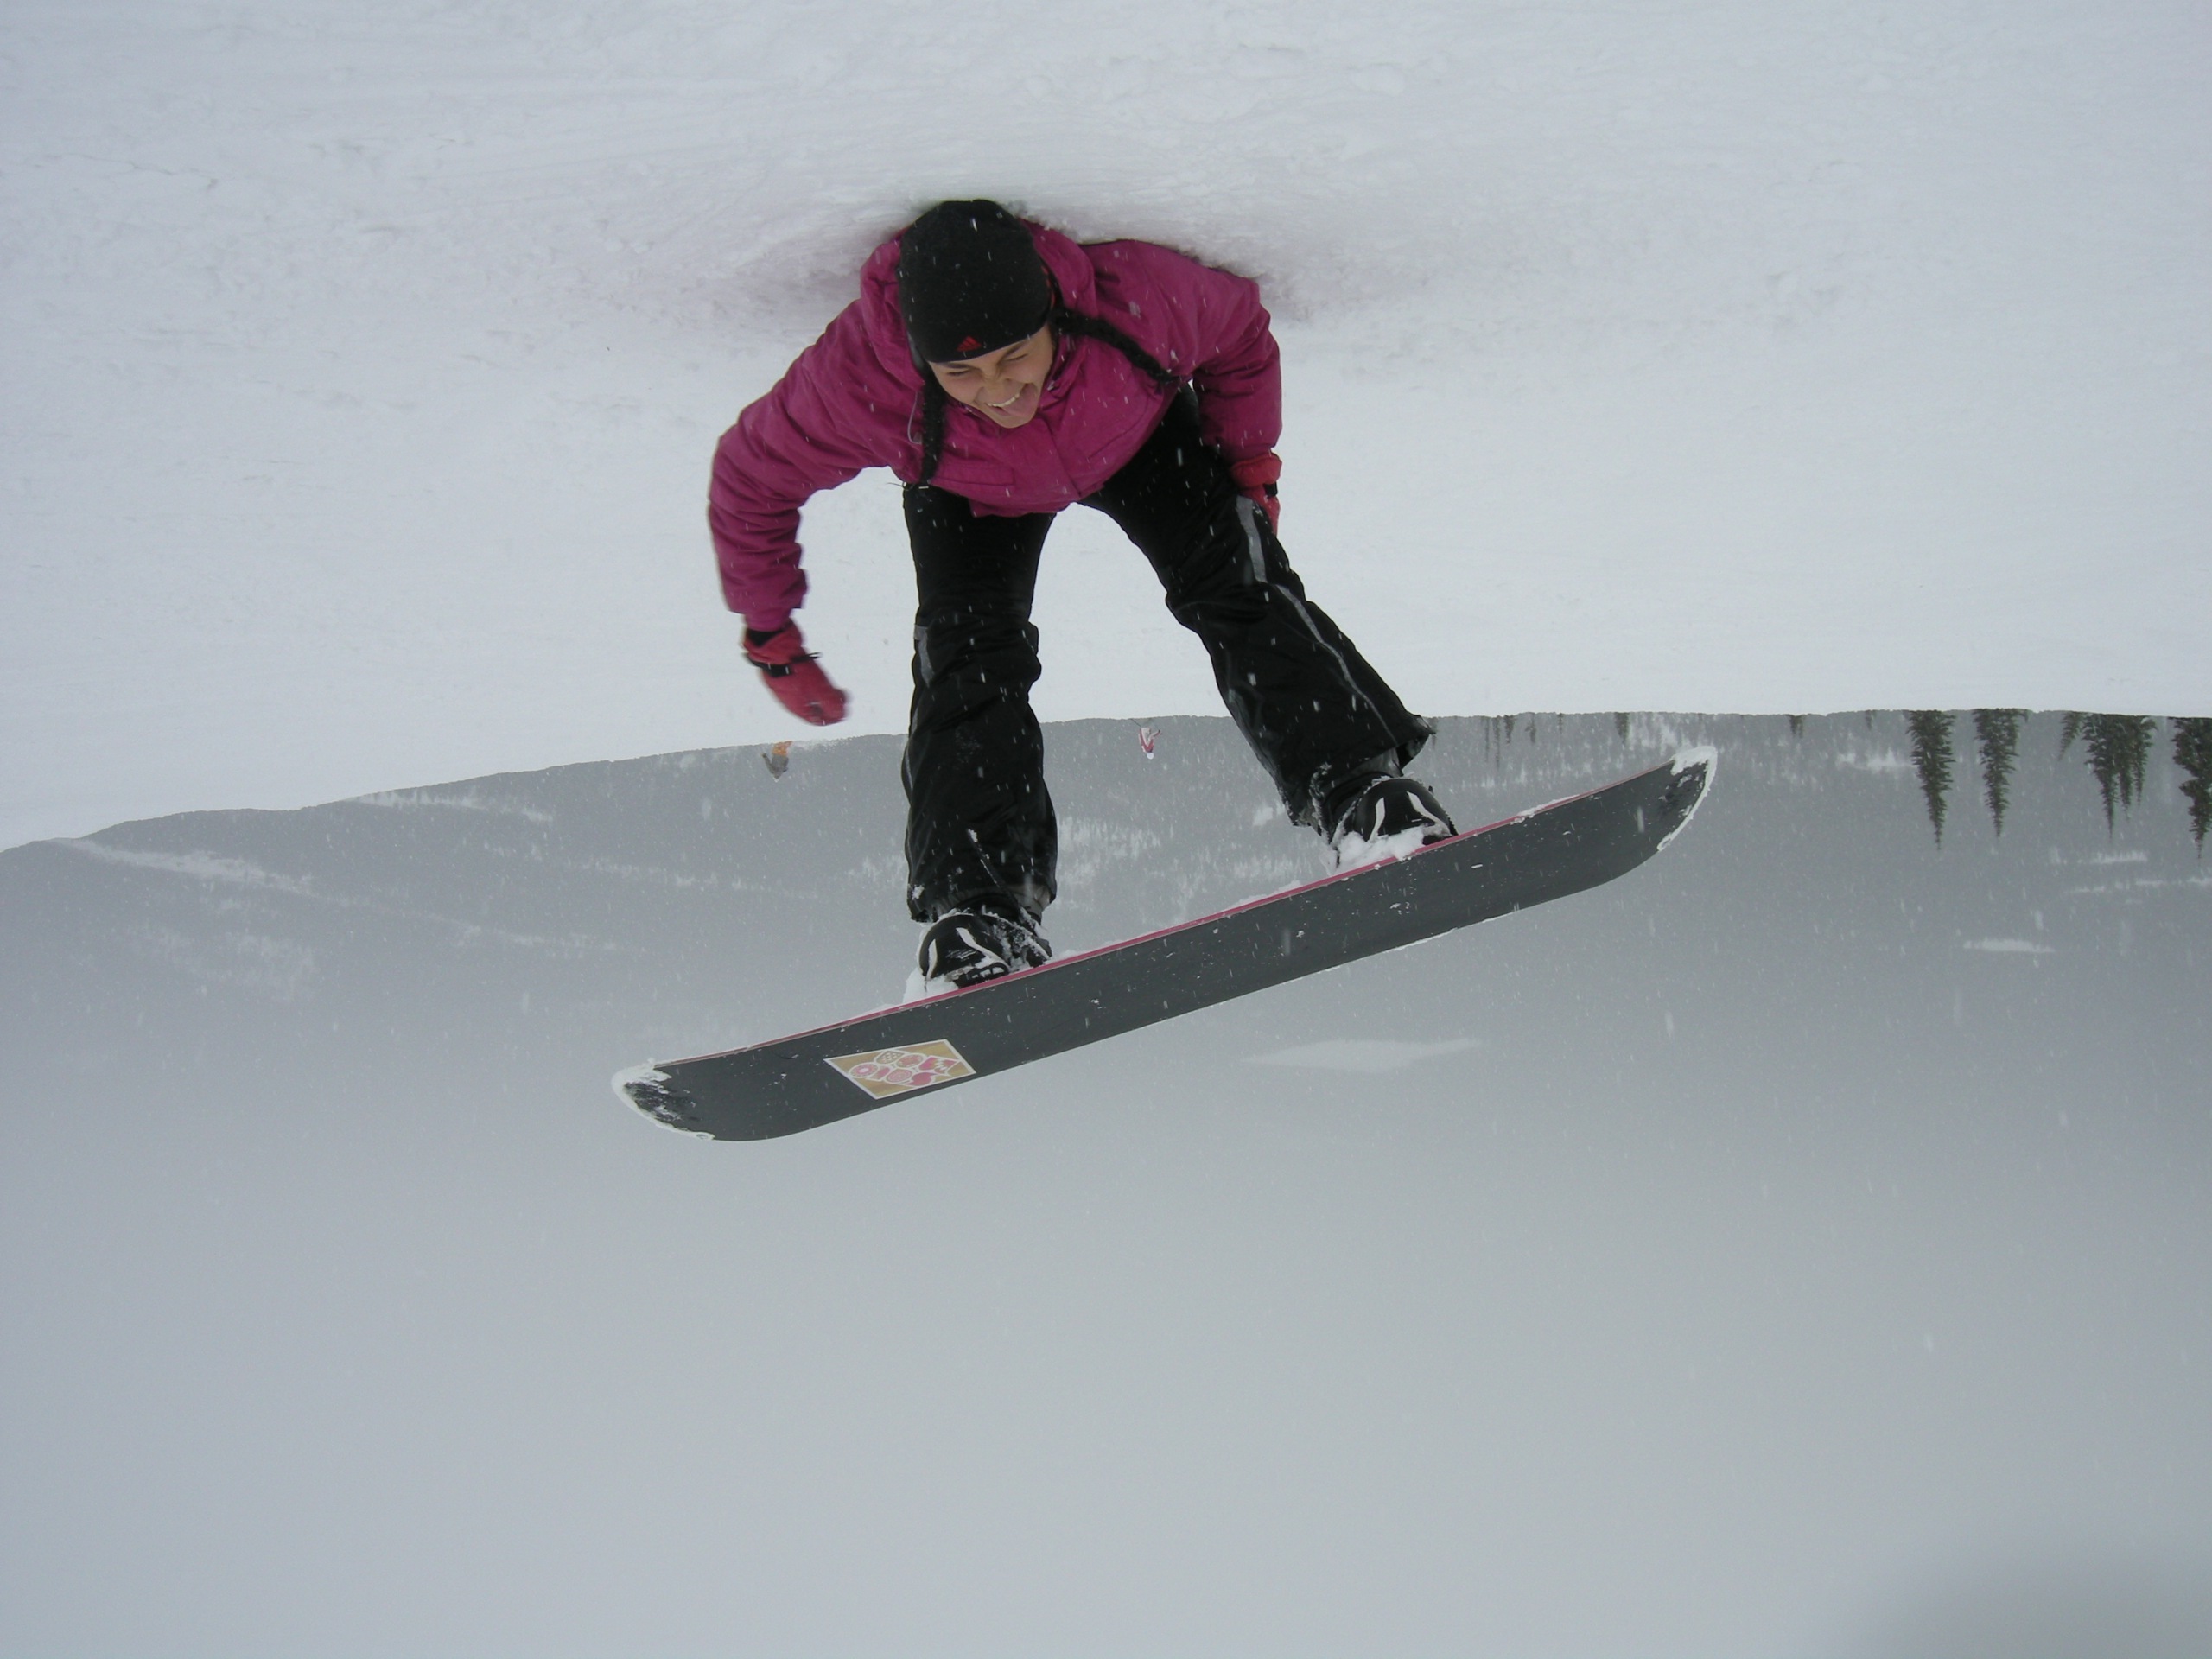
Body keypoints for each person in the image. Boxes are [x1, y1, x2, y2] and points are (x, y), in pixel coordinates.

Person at [709, 200, 1454, 990]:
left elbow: (1239, 332)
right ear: (921, 362)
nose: (999, 391)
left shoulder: (1134, 301)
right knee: (967, 660)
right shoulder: (866, 374)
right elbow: (751, 477)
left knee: (1238, 583)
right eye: (961, 374)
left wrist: (1248, 465)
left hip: (1138, 438)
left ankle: (1364, 794)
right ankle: (981, 916)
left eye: (1015, 358)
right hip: (969, 493)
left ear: (1052, 314)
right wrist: (771, 635)